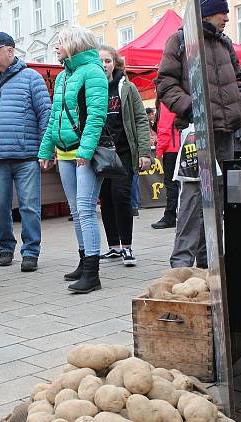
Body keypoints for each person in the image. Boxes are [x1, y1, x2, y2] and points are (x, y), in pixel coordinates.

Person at [155, 0, 241, 268]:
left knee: (219, 198)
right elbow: (165, 83)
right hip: (197, 134)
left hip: (225, 132)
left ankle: (211, 262)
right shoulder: (180, 41)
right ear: (207, 13)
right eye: (223, 12)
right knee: (193, 198)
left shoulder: (224, 43)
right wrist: (193, 109)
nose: (227, 18)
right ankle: (181, 266)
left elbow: (239, 80)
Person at [38, 27, 108, 294]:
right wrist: (46, 150)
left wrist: (86, 151)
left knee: (86, 210)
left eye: (60, 43)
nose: (56, 47)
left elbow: (97, 116)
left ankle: (93, 273)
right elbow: (55, 116)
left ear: (74, 44)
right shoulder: (64, 75)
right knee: (77, 212)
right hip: (66, 152)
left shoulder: (93, 71)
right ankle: (84, 262)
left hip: (83, 153)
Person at [0, 32, 52, 272]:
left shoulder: (32, 78)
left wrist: (46, 149)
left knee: (30, 206)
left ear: (10, 51)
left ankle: (31, 251)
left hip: (27, 156)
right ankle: (5, 247)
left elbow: (46, 115)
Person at [96, 45, 152, 267]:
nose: (104, 65)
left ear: (115, 64)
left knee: (121, 197)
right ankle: (114, 247)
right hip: (101, 153)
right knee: (106, 199)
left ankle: (127, 246)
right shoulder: (93, 88)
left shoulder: (127, 88)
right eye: (100, 61)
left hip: (124, 152)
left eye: (108, 61)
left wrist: (145, 152)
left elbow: (141, 120)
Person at [151, 102, 181, 229]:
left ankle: (170, 217)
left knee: (170, 183)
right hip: (180, 145)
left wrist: (159, 151)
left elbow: (164, 129)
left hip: (171, 149)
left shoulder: (166, 103)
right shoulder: (177, 99)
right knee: (179, 184)